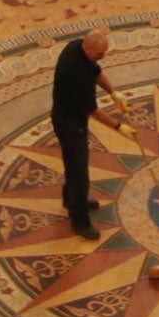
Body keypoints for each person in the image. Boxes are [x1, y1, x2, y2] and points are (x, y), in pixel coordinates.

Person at [51, 27, 124, 239]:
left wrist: (113, 92)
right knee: (79, 173)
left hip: (72, 118)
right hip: (69, 123)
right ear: (88, 48)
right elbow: (93, 110)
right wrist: (119, 127)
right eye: (100, 53)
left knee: (74, 166)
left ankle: (70, 199)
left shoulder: (76, 47)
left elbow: (96, 70)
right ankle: (79, 220)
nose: (103, 57)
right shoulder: (77, 72)